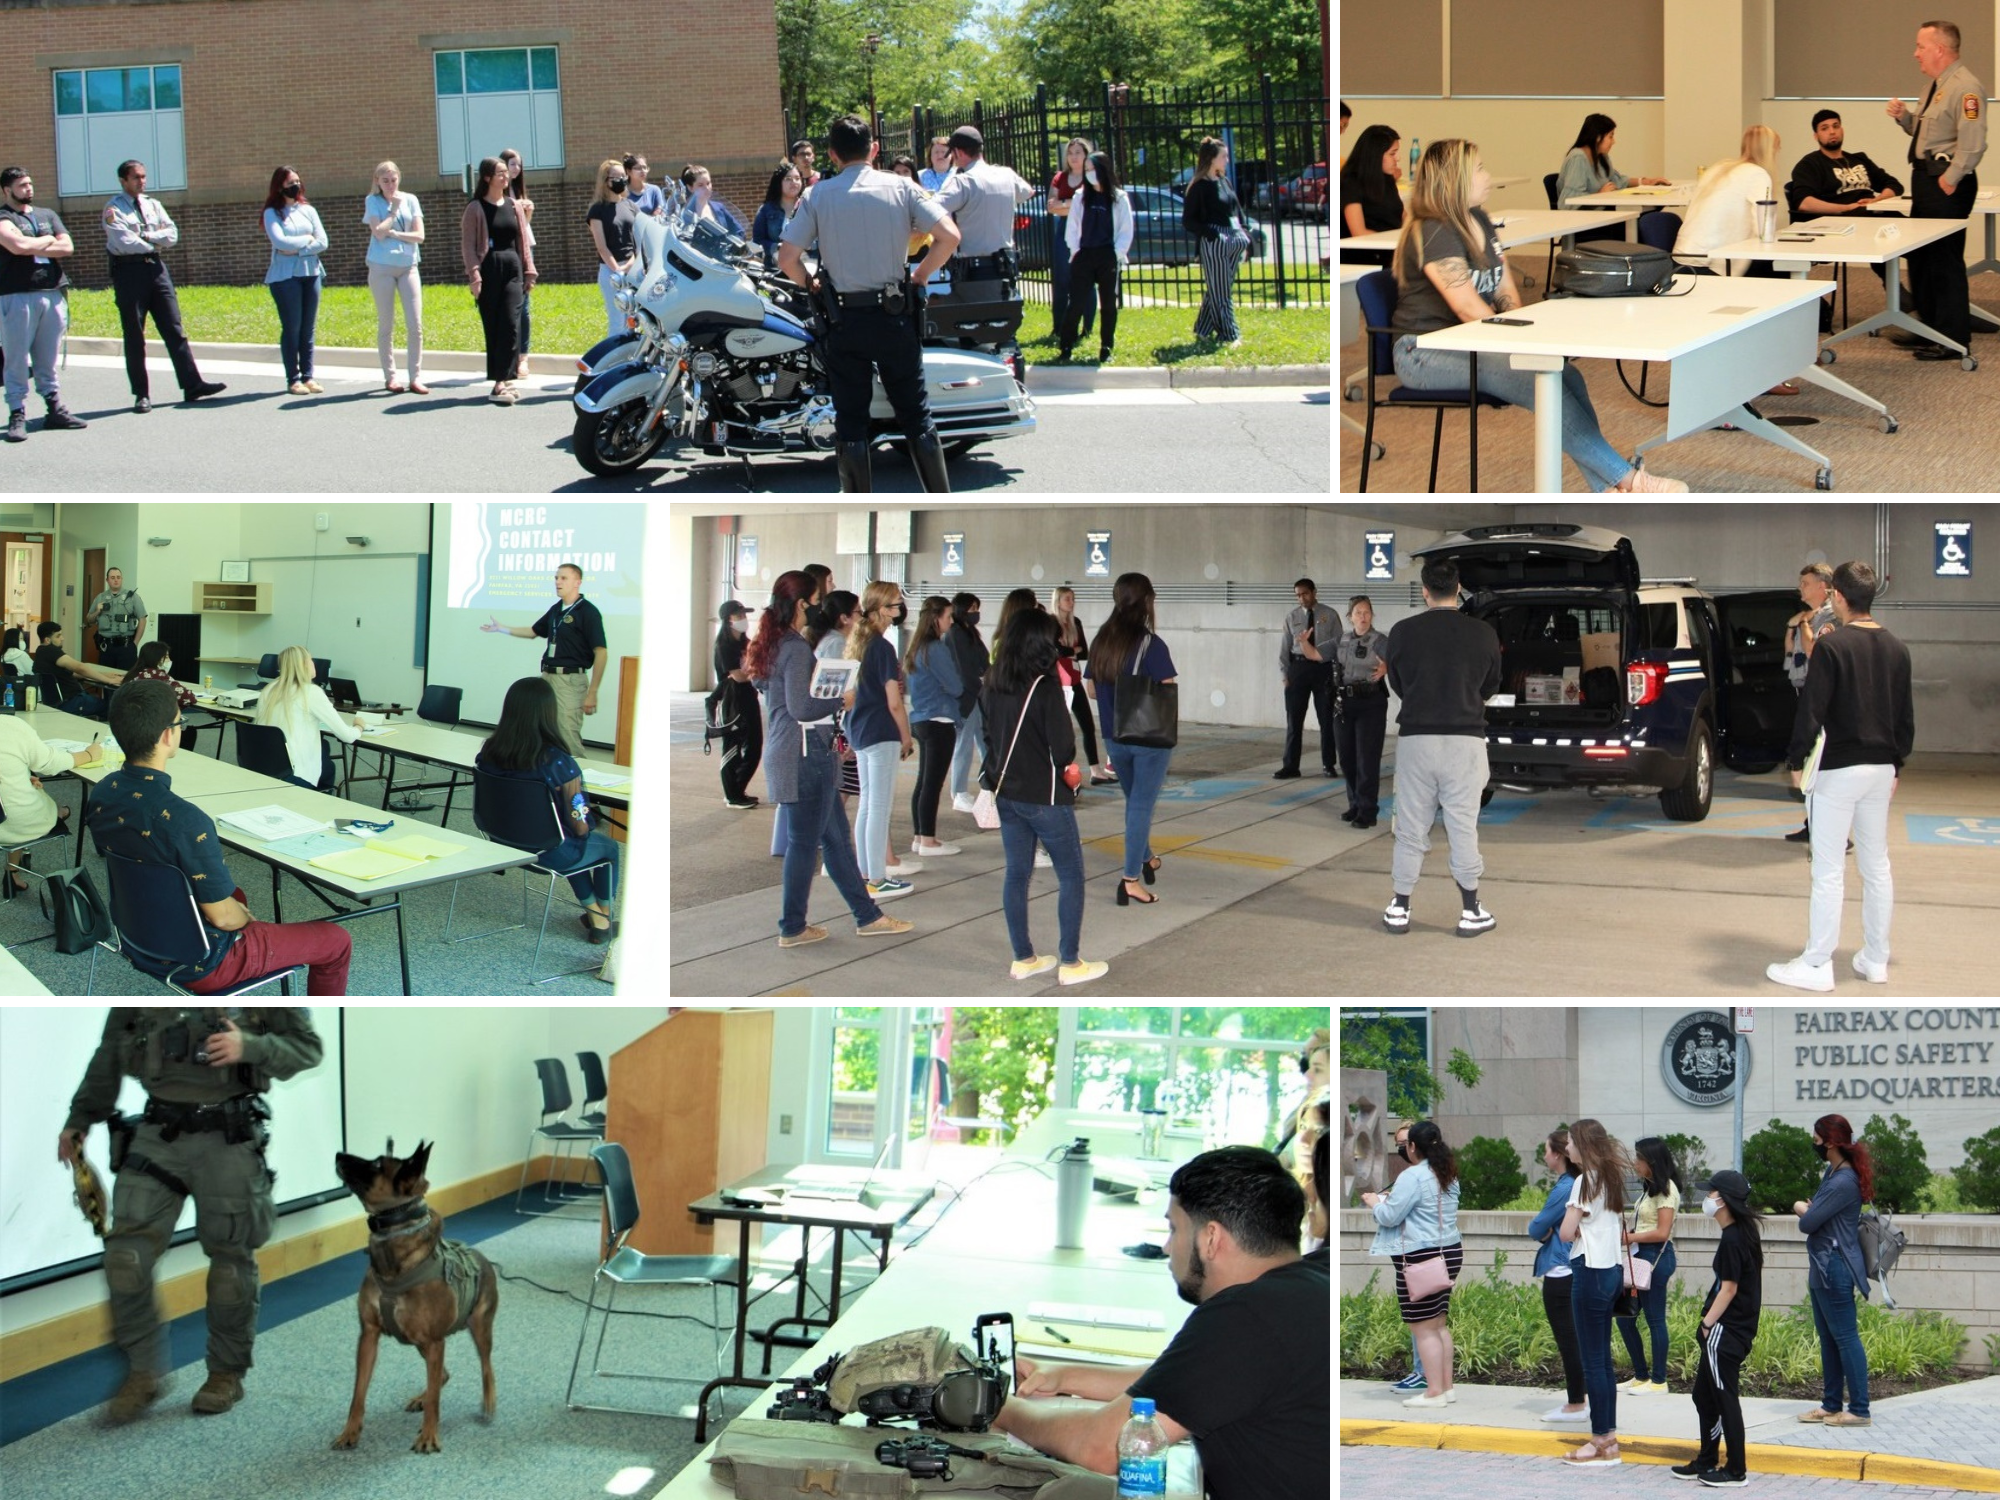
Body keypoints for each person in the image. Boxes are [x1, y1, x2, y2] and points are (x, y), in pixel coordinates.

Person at [991, 1146, 1327, 1500]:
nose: (1167, 1247)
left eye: (1173, 1228)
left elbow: (1101, 1447)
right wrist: (1064, 1376)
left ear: (1211, 1238)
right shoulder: (1315, 1276)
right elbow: (1186, 1381)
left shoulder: (1244, 1315)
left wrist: (1003, 1408)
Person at [58, 1002, 327, 1422]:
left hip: (229, 1136)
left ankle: (225, 1374)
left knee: (230, 1264)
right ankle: (143, 1373)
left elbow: (307, 1050)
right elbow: (109, 1051)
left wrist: (249, 1046)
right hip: (158, 1135)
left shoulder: (258, 995)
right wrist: (80, 1119)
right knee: (125, 1258)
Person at [1390, 139, 1690, 492]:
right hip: (1422, 352)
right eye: (1480, 169)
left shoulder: (1479, 219)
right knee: (1535, 378)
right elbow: (1466, 306)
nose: (1487, 177)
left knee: (1566, 375)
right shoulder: (1436, 229)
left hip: (1470, 344)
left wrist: (1527, 334)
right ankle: (1629, 479)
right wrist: (1517, 344)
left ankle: (1607, 488)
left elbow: (1504, 289)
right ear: (1456, 180)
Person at [89, 679, 354, 994]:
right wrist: (246, 920)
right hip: (204, 962)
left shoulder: (103, 793)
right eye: (180, 723)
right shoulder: (188, 821)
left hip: (137, 940)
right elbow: (225, 919)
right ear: (167, 735)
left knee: (235, 895)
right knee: (337, 940)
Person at [779, 113, 958, 493]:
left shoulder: (817, 195)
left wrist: (811, 283)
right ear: (874, 150)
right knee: (916, 415)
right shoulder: (902, 187)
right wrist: (921, 275)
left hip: (844, 319)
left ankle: (859, 508)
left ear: (832, 154)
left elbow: (787, 258)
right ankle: (941, 503)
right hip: (895, 314)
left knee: (851, 421)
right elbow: (949, 236)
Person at [747, 570, 913, 948]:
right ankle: (793, 926)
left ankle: (867, 916)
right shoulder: (793, 647)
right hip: (806, 753)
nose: (820, 608)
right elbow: (802, 707)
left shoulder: (773, 643)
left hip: (793, 750)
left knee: (835, 842)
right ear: (801, 604)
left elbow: (773, 692)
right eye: (817, 601)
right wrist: (841, 699)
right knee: (806, 844)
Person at [1769, 560, 1913, 991]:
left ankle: (1817, 964)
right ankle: (1875, 959)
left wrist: (1796, 761)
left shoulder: (1832, 647)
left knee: (1828, 870)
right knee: (1876, 865)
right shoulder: (1897, 649)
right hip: (1880, 769)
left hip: (1838, 769)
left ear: (1839, 597)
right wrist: (1896, 764)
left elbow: (1812, 710)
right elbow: (1904, 719)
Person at [982, 608, 1107, 985]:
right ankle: (1070, 962)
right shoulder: (1045, 685)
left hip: (1007, 793)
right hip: (1046, 796)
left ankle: (1024, 958)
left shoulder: (992, 680)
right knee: (1071, 874)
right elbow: (1063, 747)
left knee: (1016, 874)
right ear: (1041, 643)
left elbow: (988, 738)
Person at [1380, 555, 1501, 935]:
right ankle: (1471, 910)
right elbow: (1490, 686)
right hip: (1465, 742)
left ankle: (1400, 907)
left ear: (1425, 591)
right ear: (1458, 588)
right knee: (1462, 826)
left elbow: (1398, 684)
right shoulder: (1483, 633)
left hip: (1417, 740)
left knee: (1410, 828)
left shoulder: (1402, 632)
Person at [476, 675, 618, 942]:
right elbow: (579, 823)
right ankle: (603, 920)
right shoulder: (558, 762)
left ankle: (595, 915)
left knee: (566, 839)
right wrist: (587, 824)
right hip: (549, 852)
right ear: (549, 713)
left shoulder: (489, 752)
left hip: (503, 844)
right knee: (606, 848)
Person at [1888, 20, 1985, 360]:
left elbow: (1973, 143)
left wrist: (1950, 179)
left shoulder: (1966, 88)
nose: (1916, 53)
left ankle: (1952, 338)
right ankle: (1928, 328)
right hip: (1926, 179)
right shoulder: (1934, 86)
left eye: (1921, 46)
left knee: (1944, 262)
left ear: (1940, 49)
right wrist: (1905, 117)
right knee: (1922, 258)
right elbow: (1929, 132)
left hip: (1945, 183)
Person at [102, 160, 226, 413]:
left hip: (157, 270)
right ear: (123, 181)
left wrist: (146, 236)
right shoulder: (113, 208)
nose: (141, 181)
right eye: (136, 177)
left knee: (174, 329)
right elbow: (124, 241)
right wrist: (154, 241)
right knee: (135, 335)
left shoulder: (153, 204)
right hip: (129, 272)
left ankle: (192, 385)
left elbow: (172, 235)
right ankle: (141, 394)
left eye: (143, 176)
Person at [1088, 571, 1176, 908]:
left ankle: (1146, 856)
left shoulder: (1101, 640)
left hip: (1114, 736)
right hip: (1148, 738)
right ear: (1147, 601)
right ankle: (1130, 880)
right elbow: (1167, 688)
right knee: (1141, 805)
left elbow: (1091, 689)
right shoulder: (1151, 644)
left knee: (1134, 802)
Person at [1360, 1119, 1460, 1409]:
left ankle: (1434, 1392)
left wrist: (1375, 1203)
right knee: (1438, 1325)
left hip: (1420, 1257)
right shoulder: (1448, 1172)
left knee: (1423, 1328)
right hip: (1449, 1251)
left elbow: (1390, 1217)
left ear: (1413, 1146)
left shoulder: (1412, 1176)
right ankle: (1446, 1388)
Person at [1675, 1169, 1765, 1486]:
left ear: (1723, 1200)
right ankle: (1707, 1459)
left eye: (1711, 1193)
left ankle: (1736, 1470)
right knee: (1704, 1396)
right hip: (1731, 1330)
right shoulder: (1741, 1233)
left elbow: (1728, 1289)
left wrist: (1706, 1324)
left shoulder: (1734, 1239)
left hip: (1726, 1332)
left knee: (1725, 1399)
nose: (1707, 1198)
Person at [1555, 1118, 1630, 1466]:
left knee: (1594, 1361)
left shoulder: (1584, 1180)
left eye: (1570, 1142)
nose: (1567, 1147)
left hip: (1590, 1270)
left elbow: (1565, 1232)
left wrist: (1572, 1228)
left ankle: (1601, 1441)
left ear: (1583, 1144)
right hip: (1611, 1271)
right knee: (1602, 1362)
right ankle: (1607, 1440)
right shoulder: (1610, 1178)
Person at [1785, 111, 1901, 332]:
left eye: (1836, 126)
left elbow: (1894, 185)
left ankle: (1921, 303)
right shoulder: (1810, 164)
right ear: (1816, 136)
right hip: (1840, 223)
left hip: (1872, 214)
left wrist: (1876, 200)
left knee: (1917, 237)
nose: (1832, 132)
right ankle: (1905, 304)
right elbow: (1804, 202)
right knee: (1882, 240)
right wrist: (1846, 208)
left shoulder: (1859, 159)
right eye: (1825, 128)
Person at [1792, 1113, 1874, 1426]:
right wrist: (1813, 1210)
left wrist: (1801, 1207)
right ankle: (1830, 1404)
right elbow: (1818, 1214)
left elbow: (1809, 1221)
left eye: (1816, 1139)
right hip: (1823, 1264)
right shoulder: (1833, 1171)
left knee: (1846, 1337)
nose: (1813, 1144)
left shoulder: (1843, 1181)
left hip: (1835, 1265)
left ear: (1830, 1142)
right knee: (1828, 1337)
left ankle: (1860, 1410)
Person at [481, 563, 607, 759]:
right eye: (556, 578)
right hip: (548, 677)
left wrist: (593, 692)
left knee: (567, 735)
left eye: (563, 578)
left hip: (570, 680)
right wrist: (501, 628)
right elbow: (533, 631)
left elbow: (601, 652)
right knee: (543, 731)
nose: (558, 582)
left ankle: (576, 777)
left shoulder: (587, 612)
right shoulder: (556, 609)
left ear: (578, 582)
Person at [1, 165, 87, 441]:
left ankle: (54, 409)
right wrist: (48, 240)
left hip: (52, 292)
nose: (29, 188)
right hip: (17, 295)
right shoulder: (3, 217)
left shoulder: (47, 214)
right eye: (22, 185)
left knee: (48, 358)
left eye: (30, 183)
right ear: (6, 190)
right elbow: (17, 246)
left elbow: (68, 247)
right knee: (16, 358)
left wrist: (34, 242)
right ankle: (17, 413)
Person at [845, 581, 916, 899]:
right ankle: (877, 877)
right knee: (879, 807)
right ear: (882, 609)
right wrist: (906, 735)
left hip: (860, 730)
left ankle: (865, 873)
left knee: (867, 804)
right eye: (896, 603)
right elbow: (894, 701)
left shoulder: (858, 642)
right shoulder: (882, 647)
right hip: (880, 731)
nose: (900, 608)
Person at [460, 156, 536, 405]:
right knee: (494, 326)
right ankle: (499, 383)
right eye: (500, 173)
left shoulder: (514, 205)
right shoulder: (475, 208)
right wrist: (475, 276)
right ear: (487, 178)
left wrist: (529, 271)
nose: (505, 176)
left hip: (513, 267)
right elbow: (468, 246)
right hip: (489, 269)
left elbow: (523, 240)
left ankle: (505, 378)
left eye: (506, 172)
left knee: (512, 323)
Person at [0, 709, 100, 889]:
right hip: (15, 823)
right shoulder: (9, 725)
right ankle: (58, 814)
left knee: (17, 796)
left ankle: (12, 874)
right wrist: (89, 755)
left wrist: (18, 777)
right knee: (30, 804)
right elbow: (50, 764)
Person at [1528, 1129, 1589, 1426]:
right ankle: (1582, 1400)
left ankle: (1577, 1404)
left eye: (1546, 1150)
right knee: (1578, 1338)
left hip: (1561, 1271)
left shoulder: (1567, 1186)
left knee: (1569, 1340)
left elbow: (1536, 1227)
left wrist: (1545, 1231)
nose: (1544, 1155)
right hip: (1577, 1267)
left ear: (1559, 1154)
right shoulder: (1584, 1182)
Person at [1674, 126, 1787, 278]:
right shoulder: (1758, 175)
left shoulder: (1719, 168)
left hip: (1683, 258)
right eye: (1777, 148)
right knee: (1779, 269)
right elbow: (1763, 230)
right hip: (1710, 264)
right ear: (1769, 150)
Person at [933, 126, 1036, 292]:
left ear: (959, 152)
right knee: (1005, 307)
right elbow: (1028, 192)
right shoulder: (1007, 174)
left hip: (975, 268)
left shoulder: (963, 181)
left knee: (975, 308)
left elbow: (932, 208)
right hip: (1006, 263)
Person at [1615, 1136, 1681, 1394]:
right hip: (1640, 1257)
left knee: (1655, 1319)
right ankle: (1641, 1376)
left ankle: (1659, 1381)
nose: (1635, 1163)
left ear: (1652, 1161)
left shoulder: (1667, 1189)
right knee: (1625, 1318)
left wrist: (1630, 1238)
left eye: (1639, 1158)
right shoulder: (1650, 1188)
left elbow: (1662, 1232)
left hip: (1655, 1258)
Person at [903, 595, 963, 860]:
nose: (951, 621)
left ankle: (920, 836)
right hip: (939, 719)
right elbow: (956, 686)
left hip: (921, 718)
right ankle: (928, 839)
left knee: (923, 781)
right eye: (948, 616)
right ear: (936, 618)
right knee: (932, 783)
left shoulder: (916, 647)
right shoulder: (936, 648)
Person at [252, 645, 361, 790]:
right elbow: (347, 736)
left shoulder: (269, 689)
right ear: (303, 664)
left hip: (263, 767)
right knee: (328, 766)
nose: (313, 663)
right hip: (294, 774)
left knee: (324, 747)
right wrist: (359, 726)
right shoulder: (311, 692)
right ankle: (316, 799)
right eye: (311, 660)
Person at [260, 165, 328, 396]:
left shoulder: (308, 210)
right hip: (285, 277)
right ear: (279, 186)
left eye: (297, 182)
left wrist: (299, 248)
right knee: (292, 327)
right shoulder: (272, 213)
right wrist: (308, 241)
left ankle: (308, 376)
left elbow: (323, 241)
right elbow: (280, 242)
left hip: (311, 273)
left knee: (308, 328)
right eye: (290, 183)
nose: (295, 186)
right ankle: (293, 379)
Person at [1058, 150, 1130, 364]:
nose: (1089, 173)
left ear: (1103, 170)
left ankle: (1106, 347)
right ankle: (1066, 346)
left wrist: (1116, 254)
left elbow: (1126, 230)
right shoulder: (1080, 196)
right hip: (1084, 255)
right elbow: (1072, 228)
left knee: (1108, 304)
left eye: (1092, 169)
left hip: (1107, 255)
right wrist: (1075, 251)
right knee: (1076, 303)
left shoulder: (1119, 197)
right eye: (1086, 170)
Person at [1784, 561, 1839, 844]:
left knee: (1818, 762)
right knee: (1812, 764)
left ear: (1822, 586)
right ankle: (1814, 823)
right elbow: (1790, 650)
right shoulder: (1810, 615)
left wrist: (1804, 623)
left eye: (1805, 583)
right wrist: (1793, 625)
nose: (1800, 588)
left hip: (1819, 695)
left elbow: (1812, 650)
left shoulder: (1829, 618)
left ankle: (1829, 830)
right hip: (1803, 689)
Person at [362, 161, 427, 394]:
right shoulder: (372, 201)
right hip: (382, 267)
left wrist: (396, 234)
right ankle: (391, 377)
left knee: (415, 324)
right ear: (377, 181)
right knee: (386, 323)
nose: (390, 185)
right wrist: (393, 210)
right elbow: (379, 232)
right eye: (385, 181)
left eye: (393, 180)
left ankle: (415, 377)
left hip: (408, 267)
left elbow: (419, 236)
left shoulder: (411, 199)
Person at [1183, 136, 1252, 344]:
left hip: (1234, 239)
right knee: (1221, 293)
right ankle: (1230, 335)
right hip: (1215, 242)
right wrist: (1211, 233)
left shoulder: (1224, 181)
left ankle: (1203, 329)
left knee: (1219, 289)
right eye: (1224, 156)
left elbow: (1236, 210)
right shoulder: (1199, 187)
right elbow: (1188, 220)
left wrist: (1245, 233)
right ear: (1211, 159)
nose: (1227, 160)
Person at [1335, 594, 1391, 827]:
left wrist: (1387, 666)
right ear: (1350, 617)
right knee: (1346, 758)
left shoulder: (1379, 640)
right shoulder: (1343, 640)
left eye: (1367, 612)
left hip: (1371, 703)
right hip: (1345, 703)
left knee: (1366, 759)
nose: (1363, 616)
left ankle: (1367, 812)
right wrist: (1303, 643)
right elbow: (1318, 655)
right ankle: (1355, 804)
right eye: (1358, 612)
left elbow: (1399, 658)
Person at [1276, 577, 1340, 782]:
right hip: (1298, 669)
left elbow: (1339, 646)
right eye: (1298, 595)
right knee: (1294, 720)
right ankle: (1290, 766)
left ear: (1314, 592)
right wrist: (1285, 676)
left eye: (1304, 593)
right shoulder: (1292, 617)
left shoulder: (1330, 615)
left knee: (1326, 720)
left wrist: (1338, 675)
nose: (1301, 598)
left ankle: (1328, 764)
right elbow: (1285, 648)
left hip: (1323, 669)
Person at [1050, 586, 1111, 784]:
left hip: (1074, 679)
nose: (1071, 602)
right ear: (1058, 601)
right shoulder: (1051, 622)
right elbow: (1055, 650)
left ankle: (1095, 770)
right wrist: (1070, 650)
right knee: (1060, 728)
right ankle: (1059, 771)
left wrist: (1068, 650)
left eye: (1073, 598)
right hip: (1057, 682)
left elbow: (1084, 651)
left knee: (1088, 725)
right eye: (1067, 599)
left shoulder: (1075, 622)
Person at [1556, 113, 1669, 207]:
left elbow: (1617, 181)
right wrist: (1599, 195)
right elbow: (1568, 201)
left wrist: (1646, 182)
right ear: (1598, 137)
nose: (1613, 141)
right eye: (1610, 136)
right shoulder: (1578, 158)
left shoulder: (1601, 157)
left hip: (1602, 215)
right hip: (1584, 221)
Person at [1048, 137, 1097, 349]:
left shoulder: (1091, 177)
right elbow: (1051, 206)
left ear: (1086, 155)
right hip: (1064, 230)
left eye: (1078, 152)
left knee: (1086, 280)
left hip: (1086, 232)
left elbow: (1089, 205)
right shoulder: (1060, 177)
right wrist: (1074, 203)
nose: (1073, 157)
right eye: (1070, 153)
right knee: (1061, 279)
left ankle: (1087, 328)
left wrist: (1065, 204)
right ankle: (1058, 327)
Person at [713, 601, 762, 810]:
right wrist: (755, 672)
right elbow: (739, 676)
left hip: (749, 697)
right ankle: (732, 794)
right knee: (732, 748)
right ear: (728, 620)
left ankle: (738, 790)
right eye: (738, 616)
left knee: (754, 745)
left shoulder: (746, 643)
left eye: (744, 615)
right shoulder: (723, 646)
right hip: (732, 701)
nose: (743, 619)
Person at [947, 591, 991, 813]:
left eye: (977, 608)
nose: (976, 613)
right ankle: (959, 792)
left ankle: (989, 783)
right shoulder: (955, 634)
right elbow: (963, 669)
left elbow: (984, 660)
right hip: (966, 696)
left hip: (978, 694)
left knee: (984, 741)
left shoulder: (970, 633)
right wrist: (979, 684)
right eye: (972, 609)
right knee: (964, 745)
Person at [587, 158, 639, 339]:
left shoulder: (631, 206)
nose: (621, 180)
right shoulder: (597, 210)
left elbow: (638, 240)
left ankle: (631, 354)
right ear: (605, 181)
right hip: (610, 271)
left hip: (633, 268)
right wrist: (618, 270)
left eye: (623, 176)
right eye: (616, 177)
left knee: (633, 320)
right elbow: (602, 247)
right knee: (617, 321)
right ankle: (615, 355)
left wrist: (631, 264)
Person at [1339, 124, 1404, 268]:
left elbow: (1402, 214)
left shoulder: (1386, 178)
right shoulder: (1350, 183)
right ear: (1375, 155)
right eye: (1392, 154)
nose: (1398, 158)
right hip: (1367, 255)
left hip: (1391, 248)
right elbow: (1359, 232)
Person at [33, 620, 123, 717]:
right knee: (113, 708)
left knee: (100, 702)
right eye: (58, 636)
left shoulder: (40, 652)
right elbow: (80, 668)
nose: (62, 638)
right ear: (47, 640)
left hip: (60, 703)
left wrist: (103, 675)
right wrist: (109, 680)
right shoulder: (51, 651)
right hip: (72, 702)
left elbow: (73, 673)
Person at [499, 149, 536, 359]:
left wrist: (527, 211)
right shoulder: (498, 193)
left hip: (524, 247)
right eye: (512, 164)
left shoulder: (518, 189)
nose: (516, 169)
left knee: (524, 304)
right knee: (508, 304)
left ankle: (523, 355)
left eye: (519, 164)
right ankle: (509, 353)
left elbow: (524, 226)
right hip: (507, 248)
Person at [85, 565, 148, 671]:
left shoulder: (133, 597)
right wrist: (97, 611)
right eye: (112, 577)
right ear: (107, 580)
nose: (116, 580)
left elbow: (142, 620)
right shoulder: (100, 597)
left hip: (126, 646)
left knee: (126, 678)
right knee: (105, 677)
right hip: (106, 647)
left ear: (122, 579)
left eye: (118, 577)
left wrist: (135, 643)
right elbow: (89, 620)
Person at [752, 164, 802, 272]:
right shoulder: (766, 210)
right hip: (775, 269)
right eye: (788, 179)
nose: (794, 182)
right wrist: (776, 247)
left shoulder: (809, 207)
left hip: (806, 267)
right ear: (779, 182)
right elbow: (757, 241)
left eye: (797, 178)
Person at [125, 639, 196, 711]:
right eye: (167, 657)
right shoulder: (158, 675)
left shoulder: (134, 673)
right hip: (152, 715)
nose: (169, 660)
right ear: (156, 659)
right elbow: (189, 698)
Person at [682, 163, 745, 233]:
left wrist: (732, 240)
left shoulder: (719, 208)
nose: (706, 188)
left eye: (708, 183)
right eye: (700, 185)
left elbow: (739, 231)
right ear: (690, 188)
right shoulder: (685, 213)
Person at [622, 153, 667, 218]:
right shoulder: (622, 192)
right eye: (638, 168)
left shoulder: (654, 190)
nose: (643, 171)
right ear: (628, 171)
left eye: (644, 167)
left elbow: (660, 212)